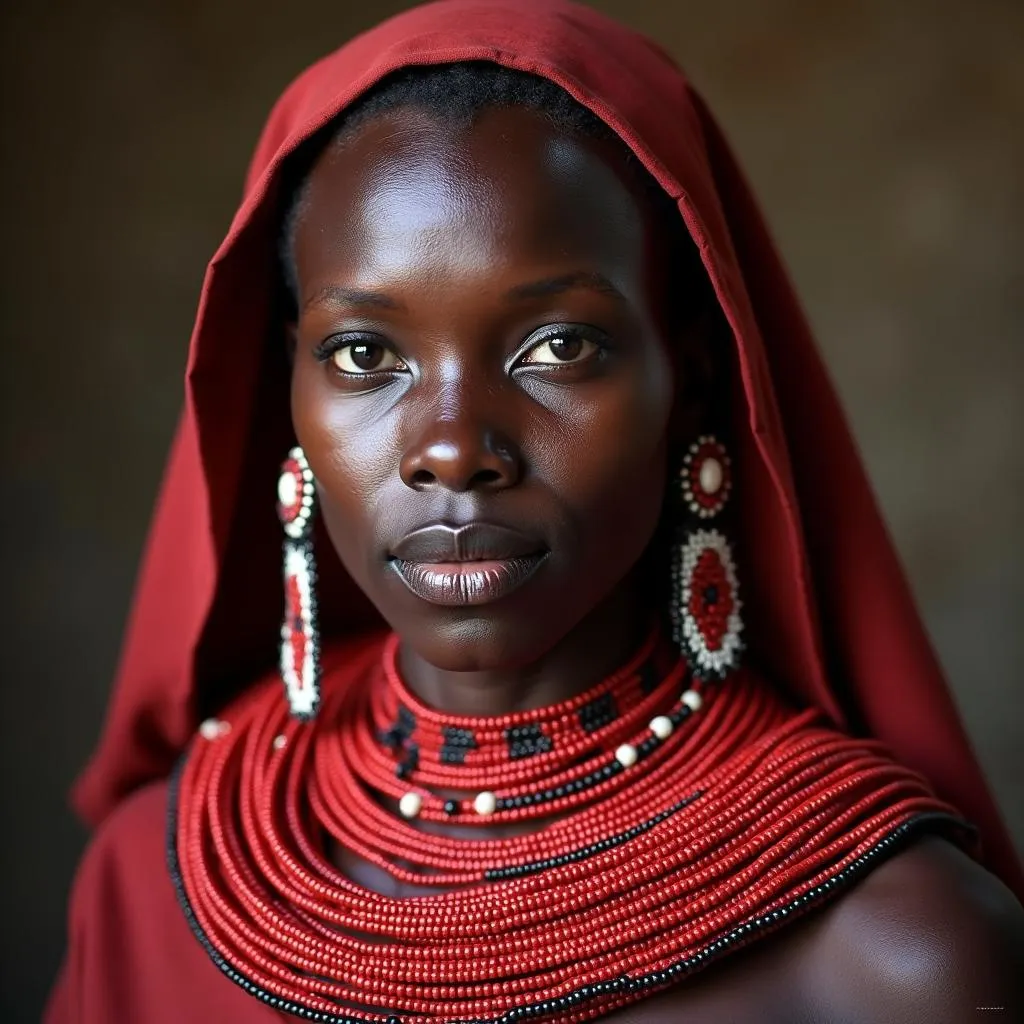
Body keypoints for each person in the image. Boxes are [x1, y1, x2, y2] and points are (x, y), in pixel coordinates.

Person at [46, 1, 1024, 1021]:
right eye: (364, 355)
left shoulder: (893, 957)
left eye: (558, 346)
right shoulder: (153, 888)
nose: (452, 448)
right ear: (285, 388)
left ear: (690, 378)